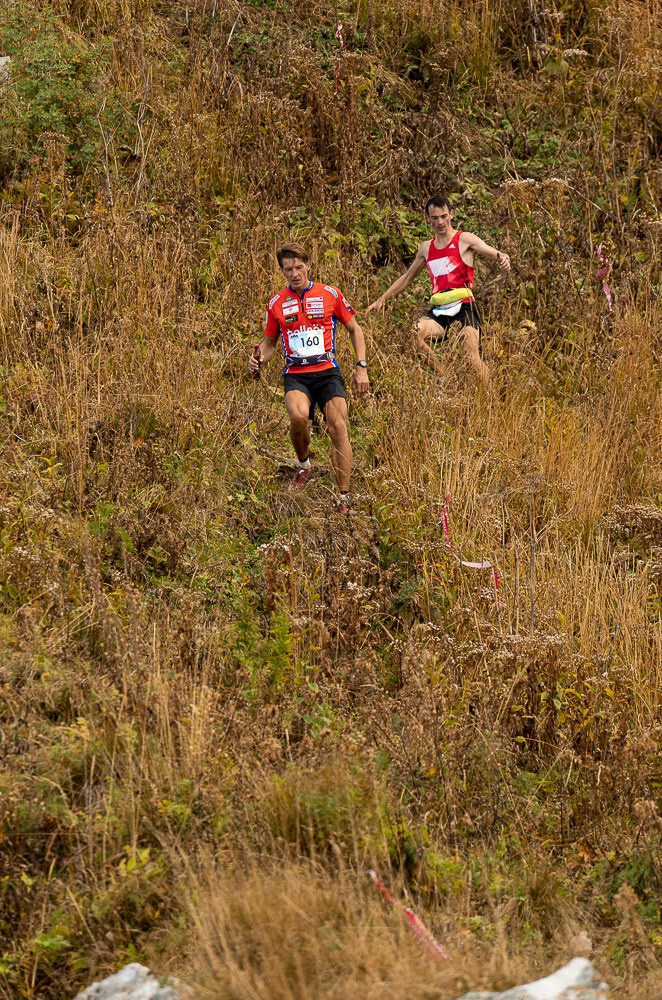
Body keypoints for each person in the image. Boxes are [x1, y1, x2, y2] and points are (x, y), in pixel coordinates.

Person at [249, 243, 370, 515]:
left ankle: (343, 497)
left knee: (338, 426)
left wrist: (361, 366)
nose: (294, 274)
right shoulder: (276, 303)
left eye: (299, 267)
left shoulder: (329, 294)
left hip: (327, 372)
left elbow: (355, 329)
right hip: (296, 375)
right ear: (281, 271)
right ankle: (304, 465)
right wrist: (258, 358)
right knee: (298, 417)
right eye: (288, 269)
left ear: (308, 265)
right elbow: (269, 344)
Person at [366, 195, 511, 382]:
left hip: (464, 307)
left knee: (471, 357)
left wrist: (503, 257)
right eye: (434, 218)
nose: (440, 222)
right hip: (439, 311)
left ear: (451, 214)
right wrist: (381, 300)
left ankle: (492, 402)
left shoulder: (464, 239)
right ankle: (446, 378)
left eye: (443, 216)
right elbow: (407, 278)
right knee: (413, 334)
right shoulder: (426, 248)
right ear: (428, 218)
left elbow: (492, 251)